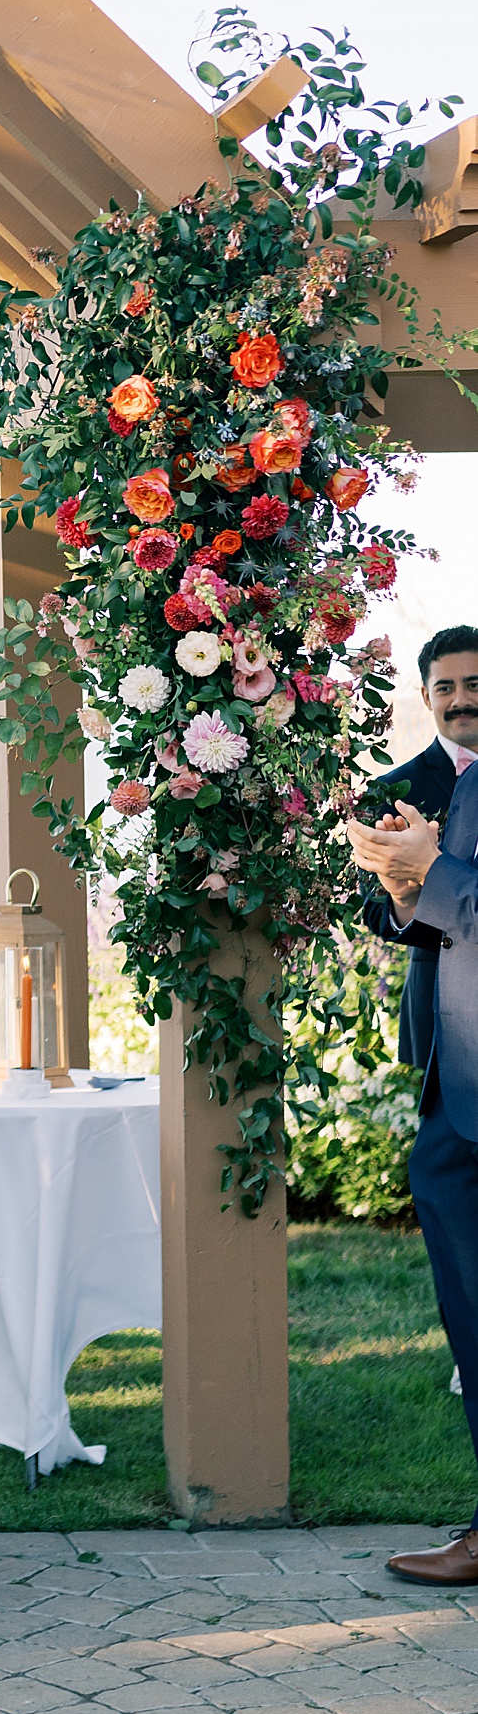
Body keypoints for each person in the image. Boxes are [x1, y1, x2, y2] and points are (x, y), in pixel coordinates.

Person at [348, 636, 478, 1587]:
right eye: (449, 687)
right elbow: (421, 912)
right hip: (457, 1086)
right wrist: (406, 883)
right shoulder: (432, 784)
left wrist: (434, 868)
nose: (463, 699)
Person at [362, 628, 478, 1066]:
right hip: (440, 1008)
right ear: (427, 697)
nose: (461, 700)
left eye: (474, 684)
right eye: (445, 688)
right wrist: (404, 897)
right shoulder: (393, 790)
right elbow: (376, 910)